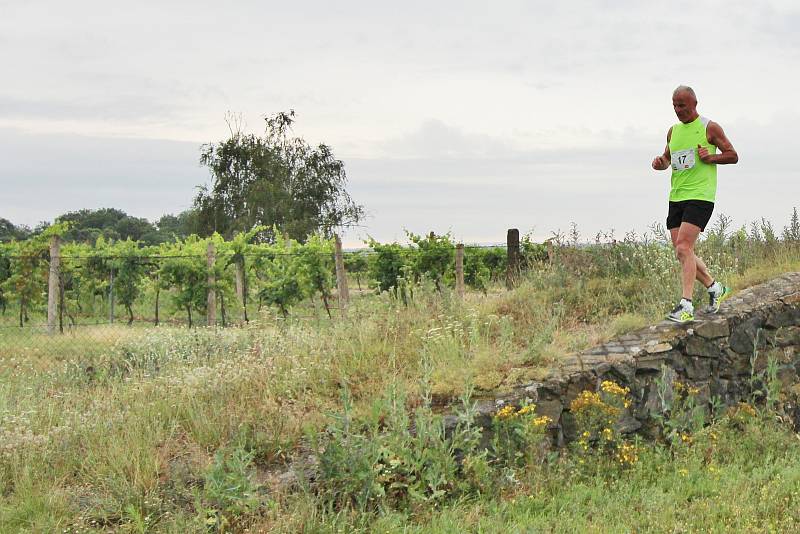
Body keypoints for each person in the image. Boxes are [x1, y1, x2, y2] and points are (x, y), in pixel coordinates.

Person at [651, 86, 739, 323]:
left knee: (683, 247)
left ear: (695, 104)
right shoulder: (673, 131)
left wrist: (711, 157)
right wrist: (660, 163)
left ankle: (686, 305)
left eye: (683, 106)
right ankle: (714, 288)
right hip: (676, 196)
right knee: (683, 252)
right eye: (675, 106)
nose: (678, 110)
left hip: (701, 195)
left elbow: (732, 155)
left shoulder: (709, 127)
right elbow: (668, 159)